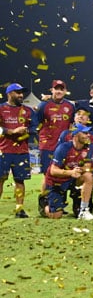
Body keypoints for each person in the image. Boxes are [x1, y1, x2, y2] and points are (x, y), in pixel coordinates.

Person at [43, 124, 93, 220]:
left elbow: (88, 166)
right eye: (84, 133)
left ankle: (83, 210)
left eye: (87, 133)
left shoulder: (88, 147)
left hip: (73, 180)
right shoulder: (63, 148)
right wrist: (71, 172)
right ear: (76, 135)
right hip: (57, 182)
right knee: (56, 215)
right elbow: (53, 170)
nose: (88, 135)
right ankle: (44, 204)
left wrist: (81, 170)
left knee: (88, 176)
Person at [0, 83, 36, 218]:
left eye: (22, 92)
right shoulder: (1, 109)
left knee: (20, 181)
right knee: (1, 179)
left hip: (21, 151)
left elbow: (34, 128)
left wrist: (26, 130)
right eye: (17, 92)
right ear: (9, 94)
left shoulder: (28, 111)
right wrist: (12, 131)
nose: (21, 95)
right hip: (3, 150)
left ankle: (19, 209)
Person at [33, 79, 74, 174]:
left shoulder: (70, 106)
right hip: (47, 146)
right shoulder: (43, 105)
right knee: (47, 174)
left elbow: (72, 123)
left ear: (65, 91)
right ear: (52, 90)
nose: (59, 91)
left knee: (64, 174)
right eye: (56, 89)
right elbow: (36, 124)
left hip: (64, 145)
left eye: (61, 89)